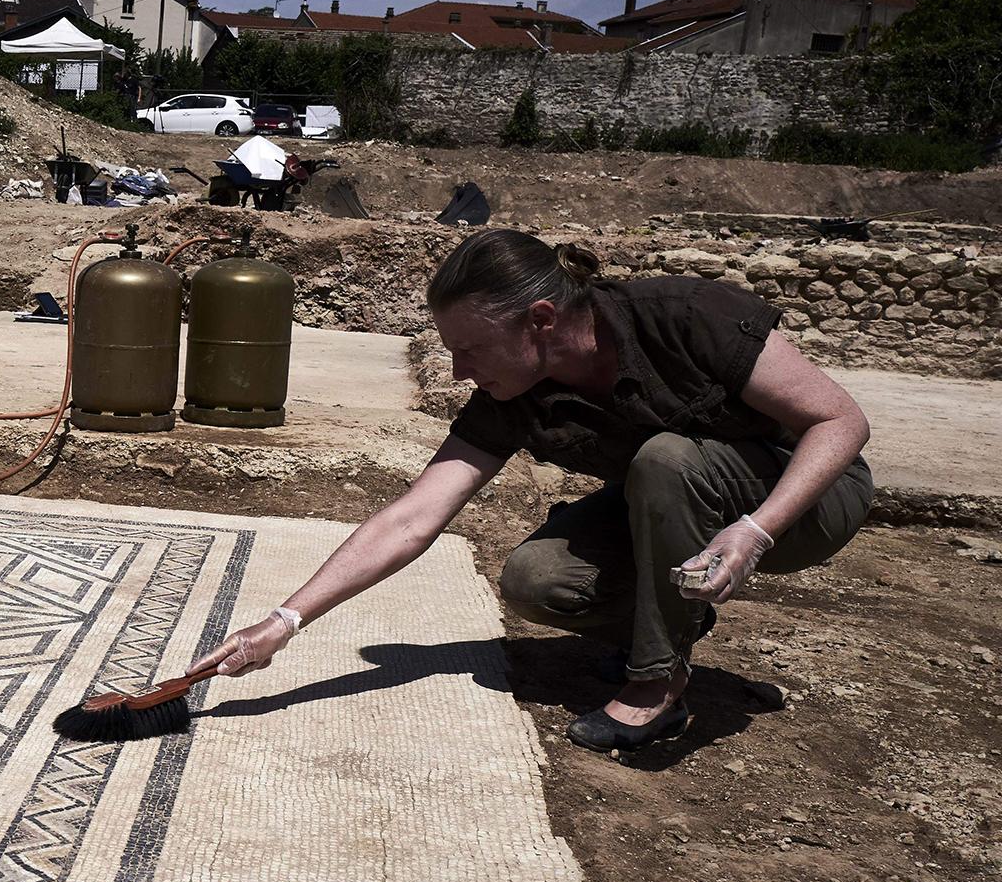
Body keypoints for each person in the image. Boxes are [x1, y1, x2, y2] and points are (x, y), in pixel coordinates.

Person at [188, 228, 875, 752]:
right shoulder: (515, 389)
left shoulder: (685, 314)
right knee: (537, 579)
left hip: (809, 498)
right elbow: (412, 518)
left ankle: (657, 685)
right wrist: (283, 623)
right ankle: (667, 618)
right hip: (678, 507)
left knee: (668, 459)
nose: (459, 371)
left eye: (470, 350)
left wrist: (757, 529)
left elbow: (841, 421)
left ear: (542, 321)